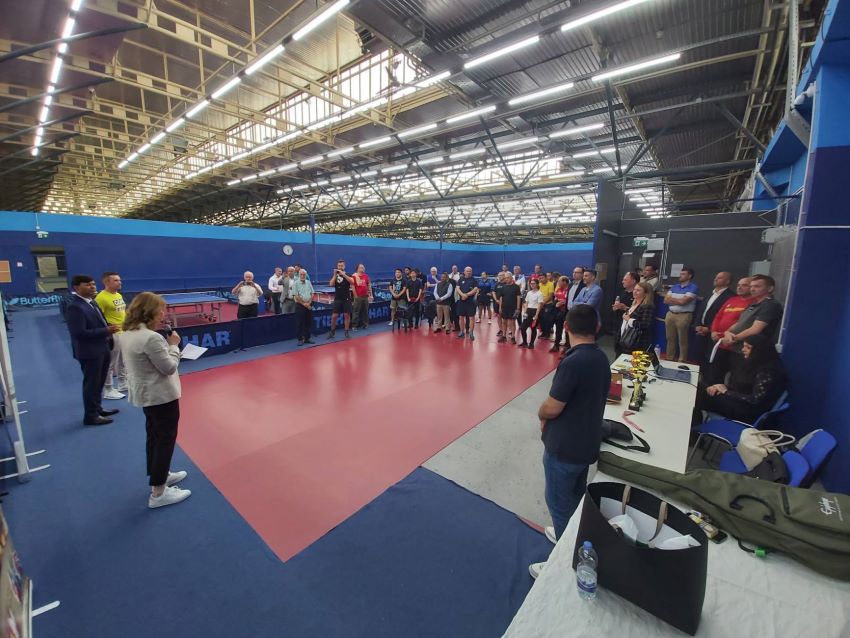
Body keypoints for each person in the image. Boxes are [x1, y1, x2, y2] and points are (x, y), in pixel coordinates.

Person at [529, 305, 611, 578]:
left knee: (559, 504)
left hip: (564, 448)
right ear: (596, 327)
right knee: (575, 498)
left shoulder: (574, 363)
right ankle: (571, 536)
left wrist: (541, 413)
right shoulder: (600, 358)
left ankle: (566, 561)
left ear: (566, 327)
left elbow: (553, 407)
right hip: (585, 444)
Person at [120, 292, 191, 508]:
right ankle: (159, 493)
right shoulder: (151, 337)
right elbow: (168, 367)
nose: (163, 313)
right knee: (164, 440)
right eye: (161, 309)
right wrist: (174, 346)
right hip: (160, 396)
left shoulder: (128, 332)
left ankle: (160, 474)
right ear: (150, 311)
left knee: (154, 436)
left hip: (147, 395)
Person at [692, 334, 787, 427]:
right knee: (699, 388)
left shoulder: (768, 372)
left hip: (747, 412)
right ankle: (695, 424)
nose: (743, 349)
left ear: (760, 351)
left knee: (699, 394)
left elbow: (755, 400)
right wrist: (721, 387)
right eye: (744, 346)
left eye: (748, 347)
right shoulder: (756, 364)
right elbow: (742, 388)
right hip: (739, 402)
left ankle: (694, 426)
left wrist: (726, 392)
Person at [66, 274, 121, 426]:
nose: (92, 287)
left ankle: (98, 409)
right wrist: (106, 331)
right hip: (89, 352)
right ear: (76, 287)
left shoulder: (92, 302)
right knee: (91, 384)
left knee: (100, 382)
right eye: (88, 284)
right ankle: (90, 416)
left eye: (93, 284)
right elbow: (79, 333)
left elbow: (100, 322)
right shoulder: (75, 307)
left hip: (102, 348)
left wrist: (107, 331)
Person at [707, 277, 753, 385]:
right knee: (715, 374)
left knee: (734, 378)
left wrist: (725, 335)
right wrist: (713, 331)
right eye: (738, 285)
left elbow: (743, 324)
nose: (740, 287)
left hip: (736, 346)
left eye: (744, 285)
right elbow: (718, 316)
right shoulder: (732, 299)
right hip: (720, 343)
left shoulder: (753, 303)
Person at [95, 271, 128, 400]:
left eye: (119, 280)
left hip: (123, 332)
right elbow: (98, 317)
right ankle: (108, 389)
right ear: (106, 282)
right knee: (110, 362)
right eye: (116, 280)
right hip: (113, 334)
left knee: (123, 360)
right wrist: (107, 331)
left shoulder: (118, 295)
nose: (119, 282)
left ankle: (122, 383)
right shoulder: (101, 298)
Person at [694, 271, 733, 371]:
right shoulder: (710, 293)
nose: (715, 279)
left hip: (715, 333)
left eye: (720, 278)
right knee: (700, 357)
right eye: (716, 277)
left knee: (711, 361)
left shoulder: (730, 297)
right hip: (701, 331)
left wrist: (709, 328)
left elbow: (723, 317)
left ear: (727, 281)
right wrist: (697, 325)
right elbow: (701, 310)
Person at [663, 266, 698, 362]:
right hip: (670, 314)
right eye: (680, 274)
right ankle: (670, 358)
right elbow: (665, 300)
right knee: (670, 338)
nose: (680, 275)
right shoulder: (675, 286)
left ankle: (682, 360)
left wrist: (672, 299)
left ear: (689, 276)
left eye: (683, 274)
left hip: (684, 315)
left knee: (682, 339)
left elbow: (683, 302)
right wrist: (678, 300)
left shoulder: (693, 287)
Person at [615, 281, 656, 356]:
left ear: (646, 293)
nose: (635, 292)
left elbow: (645, 325)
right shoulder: (634, 304)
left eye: (638, 290)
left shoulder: (647, 307)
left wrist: (629, 320)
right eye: (634, 289)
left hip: (635, 343)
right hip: (623, 341)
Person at [327, 260, 354, 339]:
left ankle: (346, 332)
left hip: (346, 298)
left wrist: (344, 275)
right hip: (337, 298)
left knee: (347, 315)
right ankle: (332, 332)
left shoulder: (348, 275)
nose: (340, 267)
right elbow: (331, 284)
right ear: (337, 266)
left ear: (344, 266)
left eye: (342, 266)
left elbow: (352, 282)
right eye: (339, 266)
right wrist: (334, 275)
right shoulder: (335, 275)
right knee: (334, 316)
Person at [518, 278, 544, 349]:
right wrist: (525, 312)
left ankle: (531, 344)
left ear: (537, 284)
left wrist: (536, 315)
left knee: (533, 328)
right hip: (528, 311)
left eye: (533, 283)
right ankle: (524, 342)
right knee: (523, 328)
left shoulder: (540, 294)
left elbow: (539, 305)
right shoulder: (529, 293)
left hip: (535, 311)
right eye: (531, 283)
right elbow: (526, 303)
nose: (532, 285)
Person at [455, 267, 479, 340]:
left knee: (471, 318)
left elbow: (475, 289)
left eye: (470, 271)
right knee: (461, 317)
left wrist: (466, 295)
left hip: (470, 302)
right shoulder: (461, 279)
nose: (469, 272)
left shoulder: (474, 280)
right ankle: (462, 332)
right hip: (462, 301)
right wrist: (462, 295)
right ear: (464, 272)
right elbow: (457, 288)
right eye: (467, 271)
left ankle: (471, 333)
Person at [292, 269, 314, 345]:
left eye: (304, 274)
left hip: (309, 305)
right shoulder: (295, 283)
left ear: (306, 275)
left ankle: (307, 338)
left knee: (308, 322)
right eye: (301, 274)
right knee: (300, 323)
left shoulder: (308, 282)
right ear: (299, 275)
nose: (302, 276)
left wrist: (309, 303)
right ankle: (300, 339)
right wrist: (304, 303)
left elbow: (312, 293)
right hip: (300, 305)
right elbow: (296, 295)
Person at [497, 273, 521, 344]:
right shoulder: (503, 287)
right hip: (504, 307)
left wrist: (518, 308)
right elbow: (501, 298)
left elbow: (518, 298)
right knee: (504, 322)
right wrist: (500, 307)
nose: (506, 279)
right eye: (506, 278)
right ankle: (504, 336)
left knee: (512, 322)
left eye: (508, 278)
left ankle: (513, 337)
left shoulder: (516, 287)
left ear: (511, 278)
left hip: (513, 308)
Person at [550, 276, 570, 354]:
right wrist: (556, 304)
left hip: (567, 312)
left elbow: (569, 301)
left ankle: (567, 347)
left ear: (564, 282)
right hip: (559, 312)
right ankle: (556, 345)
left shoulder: (570, 290)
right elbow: (555, 300)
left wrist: (564, 303)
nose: (557, 283)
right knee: (558, 328)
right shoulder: (558, 290)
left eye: (559, 281)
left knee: (567, 330)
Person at [351, 263, 371, 330]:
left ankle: (365, 324)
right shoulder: (354, 276)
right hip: (358, 297)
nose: (364, 268)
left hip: (365, 296)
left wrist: (370, 294)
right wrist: (355, 296)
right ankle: (354, 326)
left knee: (365, 311)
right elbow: (353, 287)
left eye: (363, 267)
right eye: (362, 267)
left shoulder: (366, 276)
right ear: (358, 269)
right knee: (356, 311)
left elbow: (368, 285)